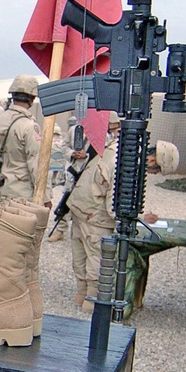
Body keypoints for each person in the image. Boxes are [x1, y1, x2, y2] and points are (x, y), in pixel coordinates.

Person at [68, 112, 120, 312]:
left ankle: (81, 294)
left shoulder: (106, 150)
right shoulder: (120, 155)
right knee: (96, 255)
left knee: (80, 252)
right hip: (95, 215)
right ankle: (90, 299)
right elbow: (113, 202)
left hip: (80, 207)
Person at [0, 75, 42, 202]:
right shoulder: (29, 126)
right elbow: (35, 165)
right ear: (32, 97)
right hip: (23, 193)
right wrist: (44, 195)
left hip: (3, 189)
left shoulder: (0, 119)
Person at [140, 140, 180, 224]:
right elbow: (113, 209)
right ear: (151, 160)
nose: (155, 173)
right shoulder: (127, 167)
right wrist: (141, 217)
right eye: (158, 169)